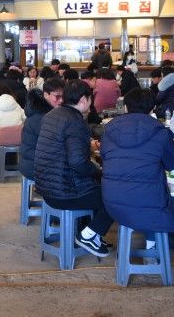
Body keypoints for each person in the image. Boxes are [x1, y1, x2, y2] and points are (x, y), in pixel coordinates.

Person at [101, 88, 174, 245]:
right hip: (150, 204)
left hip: (112, 204)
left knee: (145, 182)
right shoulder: (160, 131)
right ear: (152, 109)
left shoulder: (108, 130)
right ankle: (169, 234)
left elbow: (104, 158)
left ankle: (156, 241)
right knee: (155, 184)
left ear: (126, 107)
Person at [34, 80, 114, 257]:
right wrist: (98, 171)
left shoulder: (52, 115)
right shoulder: (75, 121)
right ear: (84, 100)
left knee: (97, 187)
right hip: (65, 193)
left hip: (47, 189)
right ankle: (88, 235)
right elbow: (78, 163)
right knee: (116, 196)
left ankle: (92, 233)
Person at [19, 78, 64, 180]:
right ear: (46, 95)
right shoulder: (42, 117)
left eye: (63, 96)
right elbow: (57, 144)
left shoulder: (46, 111)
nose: (61, 100)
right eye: (57, 96)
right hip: (35, 166)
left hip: (35, 162)